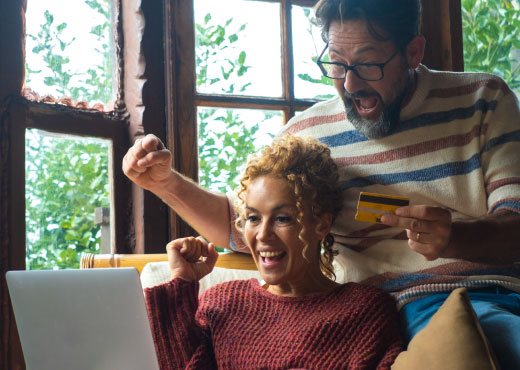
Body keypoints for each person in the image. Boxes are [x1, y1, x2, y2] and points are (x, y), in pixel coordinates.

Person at [123, 0, 520, 368]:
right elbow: (244, 224)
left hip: (483, 297)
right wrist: (164, 182)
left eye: (368, 65)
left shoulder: (482, 99)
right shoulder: (309, 133)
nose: (349, 84)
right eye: (336, 64)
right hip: (374, 315)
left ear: (414, 52)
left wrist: (454, 238)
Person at [144, 135, 403, 369]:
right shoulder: (223, 303)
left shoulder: (365, 311)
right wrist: (182, 282)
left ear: (321, 223)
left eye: (282, 219)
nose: (263, 235)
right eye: (253, 218)